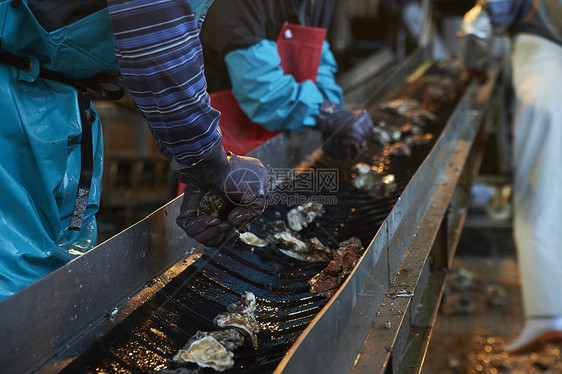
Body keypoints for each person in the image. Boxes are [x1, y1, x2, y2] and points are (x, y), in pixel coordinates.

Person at [0, 0, 270, 301]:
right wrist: (211, 163)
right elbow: (155, 33)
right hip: (10, 97)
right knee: (18, 294)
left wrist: (198, 167)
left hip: (56, 98)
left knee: (58, 281)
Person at [458, 0, 562, 354]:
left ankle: (549, 318)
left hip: (549, 75)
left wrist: (473, 66)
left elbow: (478, 23)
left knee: (541, 196)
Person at [198, 0, 375, 160]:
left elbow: (315, 54)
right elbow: (261, 88)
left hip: (278, 136)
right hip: (223, 145)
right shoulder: (236, 4)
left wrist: (333, 108)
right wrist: (326, 115)